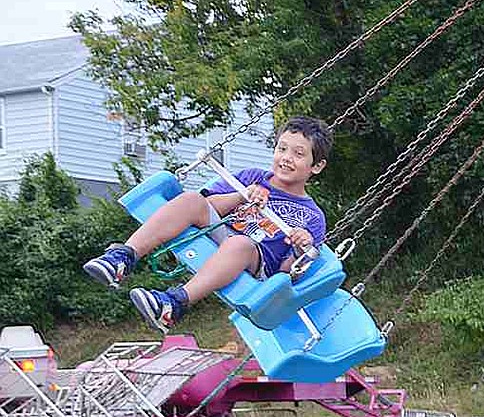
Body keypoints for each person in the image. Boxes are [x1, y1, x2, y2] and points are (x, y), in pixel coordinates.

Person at [83, 116, 333, 334]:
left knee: (240, 244)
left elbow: (287, 272)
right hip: (222, 230)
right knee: (192, 199)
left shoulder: (312, 216)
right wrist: (242, 195)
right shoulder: (253, 177)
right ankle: (122, 258)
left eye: (299, 154)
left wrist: (302, 249)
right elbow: (208, 205)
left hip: (256, 259)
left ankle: (174, 304)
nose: (287, 159)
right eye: (282, 149)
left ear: (317, 166)